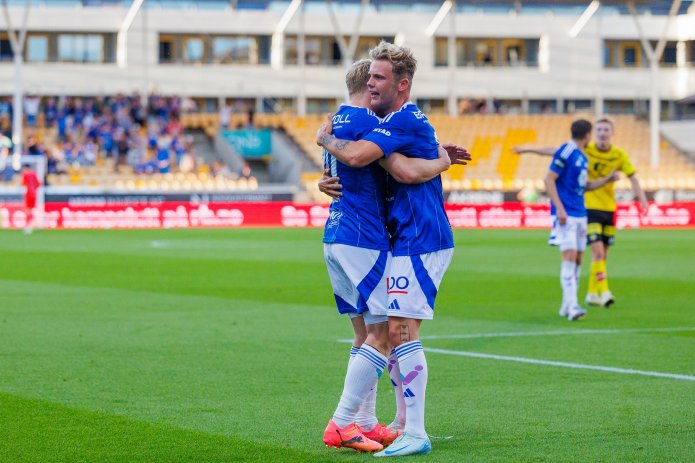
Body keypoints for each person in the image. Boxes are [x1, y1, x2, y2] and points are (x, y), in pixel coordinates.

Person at [320, 59, 469, 454]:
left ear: (400, 85)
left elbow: (392, 167)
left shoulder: (358, 122)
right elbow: (379, 165)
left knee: (387, 330)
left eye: (379, 78)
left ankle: (383, 424)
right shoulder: (375, 123)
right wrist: (441, 159)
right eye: (369, 78)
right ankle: (367, 423)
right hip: (378, 237)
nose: (372, 84)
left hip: (409, 237)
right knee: (387, 331)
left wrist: (438, 158)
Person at [515, 117, 648, 308]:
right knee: (595, 252)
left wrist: (642, 200)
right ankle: (598, 293)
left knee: (598, 256)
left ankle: (592, 294)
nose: (602, 133)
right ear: (591, 135)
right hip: (587, 208)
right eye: (599, 129)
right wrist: (528, 149)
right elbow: (555, 152)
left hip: (607, 209)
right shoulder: (584, 149)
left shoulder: (617, 155)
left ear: (612, 133)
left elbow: (632, 177)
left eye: (605, 130)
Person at [543, 119, 619, 321]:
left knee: (577, 259)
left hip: (580, 214)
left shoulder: (582, 157)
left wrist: (607, 180)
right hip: (566, 214)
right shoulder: (566, 151)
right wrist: (559, 209)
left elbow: (585, 186)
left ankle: (566, 306)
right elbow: (548, 179)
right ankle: (573, 305)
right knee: (568, 258)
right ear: (588, 135)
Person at [21, 163, 41, 234]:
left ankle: (28, 227)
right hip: (34, 195)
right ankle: (34, 222)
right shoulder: (34, 174)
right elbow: (39, 184)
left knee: (27, 210)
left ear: (26, 168)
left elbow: (23, 185)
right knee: (30, 210)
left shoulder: (25, 175)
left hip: (28, 195)